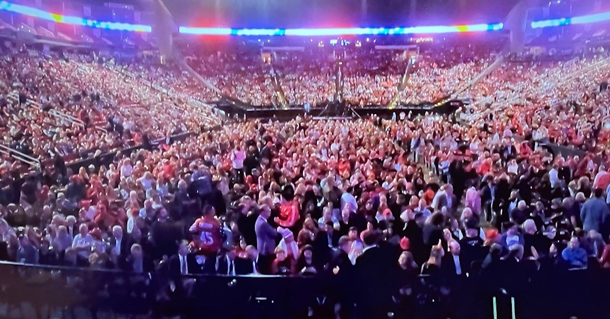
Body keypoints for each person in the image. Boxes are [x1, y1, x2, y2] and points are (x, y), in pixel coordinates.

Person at [255, 205, 278, 274]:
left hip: (263, 251)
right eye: (268, 211)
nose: (270, 212)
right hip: (266, 252)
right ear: (262, 212)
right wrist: (278, 226)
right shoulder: (263, 223)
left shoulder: (259, 221)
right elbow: (274, 233)